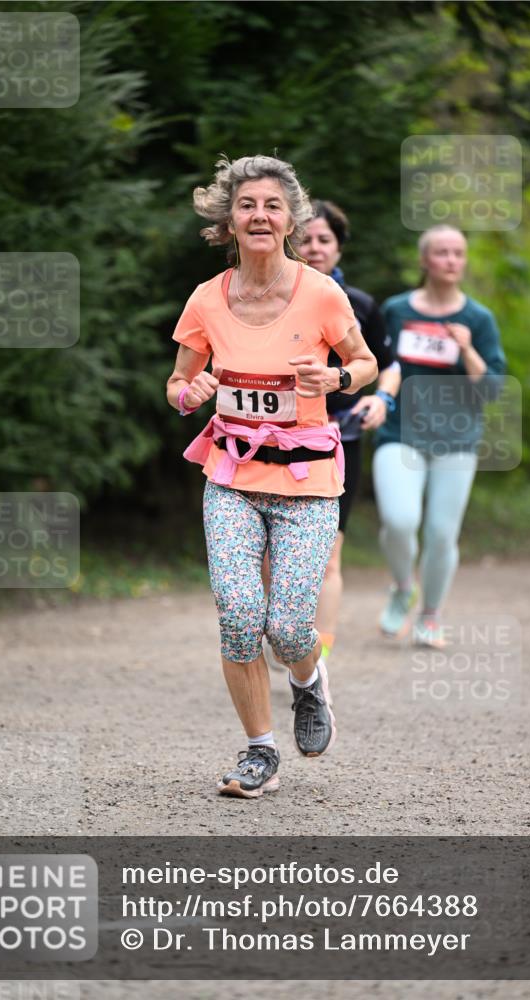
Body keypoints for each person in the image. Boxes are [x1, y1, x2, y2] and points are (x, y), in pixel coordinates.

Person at [167, 155, 378, 798]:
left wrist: (337, 378)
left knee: (288, 626)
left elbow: (365, 362)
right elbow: (178, 384)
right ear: (229, 220)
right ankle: (260, 750)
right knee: (237, 614)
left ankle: (308, 684)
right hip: (230, 476)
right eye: (247, 205)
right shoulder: (208, 299)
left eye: (273, 206)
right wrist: (190, 391)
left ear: (291, 220)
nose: (260, 215)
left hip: (308, 483)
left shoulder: (321, 293)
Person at [373, 224, 506, 647]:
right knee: (399, 521)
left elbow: (492, 389)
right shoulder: (394, 310)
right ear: (424, 260)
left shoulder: (478, 318)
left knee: (441, 533)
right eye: (442, 252)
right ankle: (400, 587)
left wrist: (466, 348)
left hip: (457, 439)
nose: (451, 260)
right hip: (400, 433)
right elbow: (379, 364)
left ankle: (430, 615)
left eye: (458, 253)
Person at [297, 200, 400, 661]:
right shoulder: (269, 300)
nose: (315, 248)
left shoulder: (360, 305)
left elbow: (387, 365)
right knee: (270, 560)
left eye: (325, 240)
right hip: (275, 440)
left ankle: (318, 660)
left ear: (338, 247)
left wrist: (381, 398)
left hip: (341, 440)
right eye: (307, 239)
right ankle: (284, 638)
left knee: (329, 556)